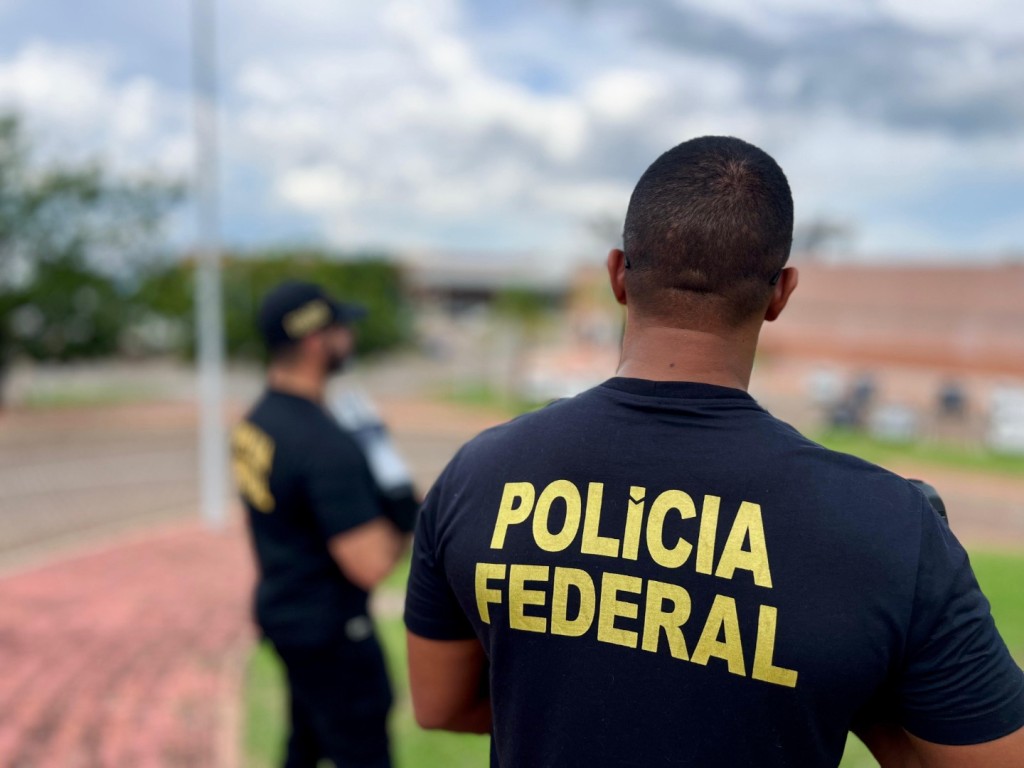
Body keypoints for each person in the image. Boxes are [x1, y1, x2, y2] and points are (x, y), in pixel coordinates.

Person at [403, 137, 1024, 767]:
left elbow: (439, 704)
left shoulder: (477, 474)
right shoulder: (890, 527)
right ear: (781, 293)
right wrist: (852, 693)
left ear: (617, 274)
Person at [232, 280, 416, 768]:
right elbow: (370, 563)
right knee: (361, 749)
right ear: (316, 340)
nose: (349, 337)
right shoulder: (324, 444)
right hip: (331, 631)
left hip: (287, 613)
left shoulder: (259, 420)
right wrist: (401, 507)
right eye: (341, 328)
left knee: (306, 742)